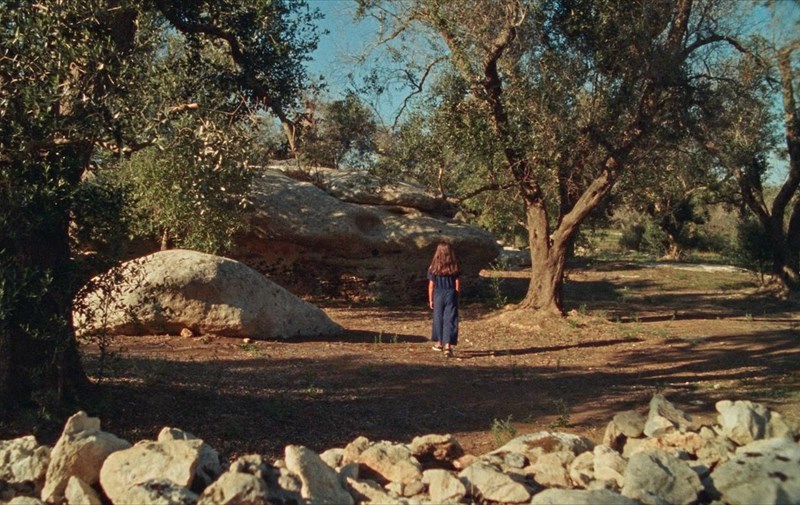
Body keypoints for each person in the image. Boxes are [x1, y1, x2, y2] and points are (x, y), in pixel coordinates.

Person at [427, 240, 461, 357]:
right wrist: (456, 295)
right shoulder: (454, 266)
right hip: (451, 293)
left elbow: (431, 285)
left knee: (438, 318)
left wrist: (430, 299)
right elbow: (457, 283)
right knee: (450, 319)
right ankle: (448, 346)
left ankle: (439, 343)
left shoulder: (433, 267)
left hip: (438, 294)